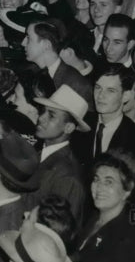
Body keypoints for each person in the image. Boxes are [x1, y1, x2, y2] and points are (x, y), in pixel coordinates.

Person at [74, 150, 135, 262]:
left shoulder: (125, 241)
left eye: (109, 182)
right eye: (96, 179)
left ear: (127, 190)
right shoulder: (93, 218)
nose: (99, 188)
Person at [26, 85, 90, 224]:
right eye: (43, 111)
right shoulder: (37, 154)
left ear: (69, 127)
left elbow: (60, 228)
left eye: (51, 115)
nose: (41, 118)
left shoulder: (68, 176)